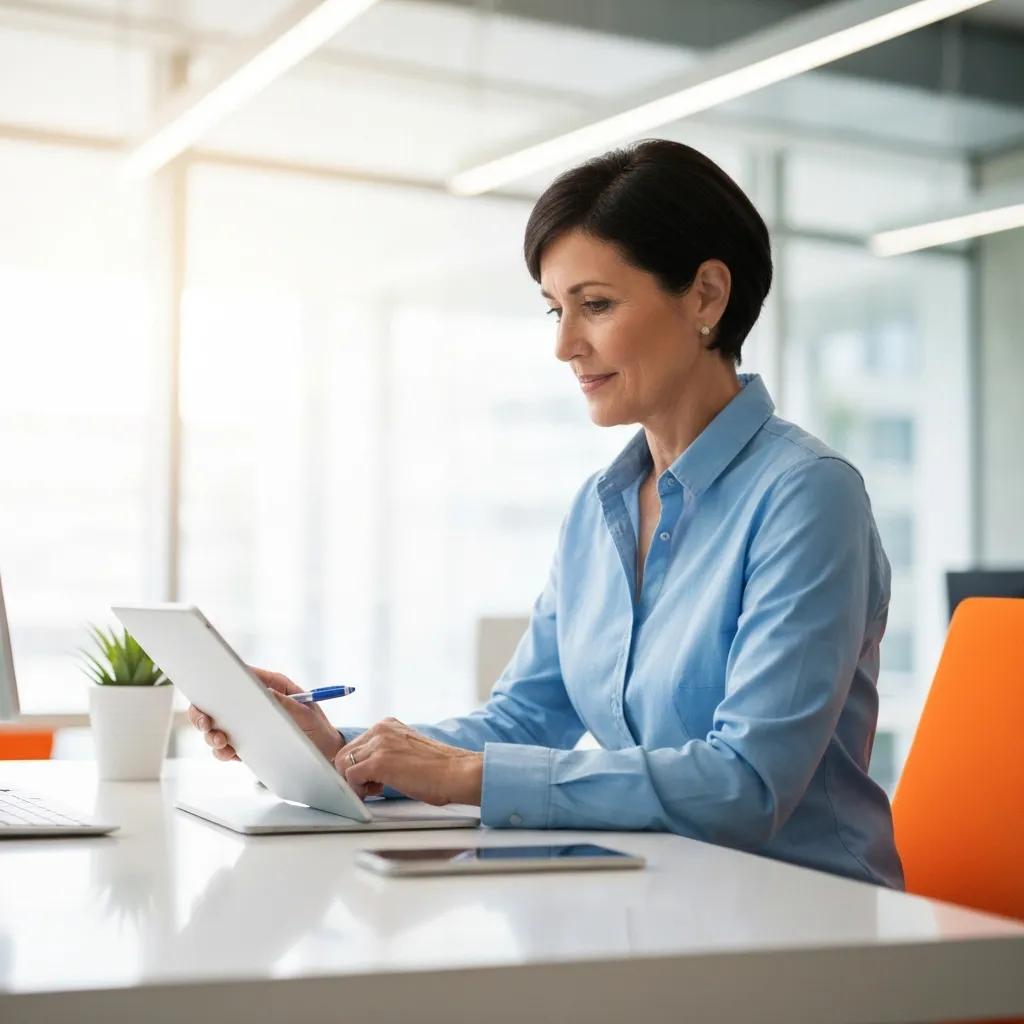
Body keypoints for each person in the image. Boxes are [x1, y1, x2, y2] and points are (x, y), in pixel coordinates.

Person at [189, 138, 905, 889]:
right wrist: (334, 745)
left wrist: (473, 775)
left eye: (595, 305)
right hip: (665, 893)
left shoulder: (807, 495)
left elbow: (746, 785)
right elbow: (522, 724)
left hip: (809, 913)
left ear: (705, 296)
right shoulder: (600, 511)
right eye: (556, 310)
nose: (565, 344)